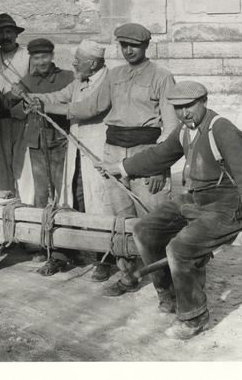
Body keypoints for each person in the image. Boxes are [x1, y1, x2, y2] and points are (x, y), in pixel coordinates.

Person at [104, 81, 242, 339]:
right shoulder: (185, 130)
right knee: (144, 229)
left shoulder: (221, 129)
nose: (183, 113)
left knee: (180, 248)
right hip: (196, 200)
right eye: (178, 108)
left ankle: (194, 316)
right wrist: (121, 167)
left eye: (189, 106)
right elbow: (159, 155)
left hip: (225, 206)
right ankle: (168, 295)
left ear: (204, 102)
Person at [62, 23, 179, 294]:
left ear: (145, 47)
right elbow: (90, 107)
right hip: (112, 153)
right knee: (119, 219)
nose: (128, 51)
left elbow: (172, 129)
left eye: (134, 46)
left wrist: (160, 168)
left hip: (146, 153)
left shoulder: (162, 77)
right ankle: (128, 276)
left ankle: (167, 286)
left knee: (153, 222)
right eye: (123, 45)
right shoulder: (113, 76)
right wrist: (45, 105)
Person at [16, 39, 112, 280]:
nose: (74, 64)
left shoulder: (107, 81)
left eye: (78, 61)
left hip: (97, 151)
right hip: (76, 148)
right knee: (72, 199)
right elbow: (60, 95)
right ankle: (62, 252)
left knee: (99, 203)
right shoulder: (79, 80)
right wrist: (31, 97)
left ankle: (105, 258)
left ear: (91, 63)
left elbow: (84, 109)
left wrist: (44, 107)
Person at [9, 38, 75, 275]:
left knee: (63, 194)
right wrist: (18, 98)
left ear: (52, 55)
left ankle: (65, 248)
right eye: (36, 58)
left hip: (60, 142)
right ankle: (43, 245)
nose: (41, 62)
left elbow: (70, 102)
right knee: (40, 195)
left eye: (45, 56)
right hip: (37, 143)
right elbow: (13, 110)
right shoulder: (25, 82)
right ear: (31, 60)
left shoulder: (67, 77)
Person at [0, 13, 30, 192]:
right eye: (0, 33)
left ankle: (26, 209)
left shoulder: (28, 55)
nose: (5, 37)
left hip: (22, 120)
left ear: (16, 34)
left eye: (8, 32)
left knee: (24, 169)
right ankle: (3, 210)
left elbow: (36, 82)